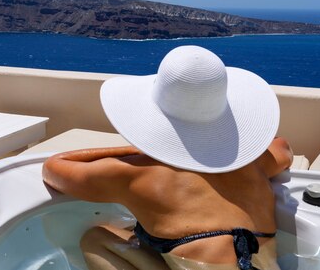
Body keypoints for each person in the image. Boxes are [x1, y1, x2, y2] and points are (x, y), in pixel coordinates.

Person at [42, 45, 293, 270]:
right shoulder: (256, 164)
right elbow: (283, 148)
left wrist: (140, 151)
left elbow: (54, 167)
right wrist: (231, 147)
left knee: (96, 238)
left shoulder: (133, 174)